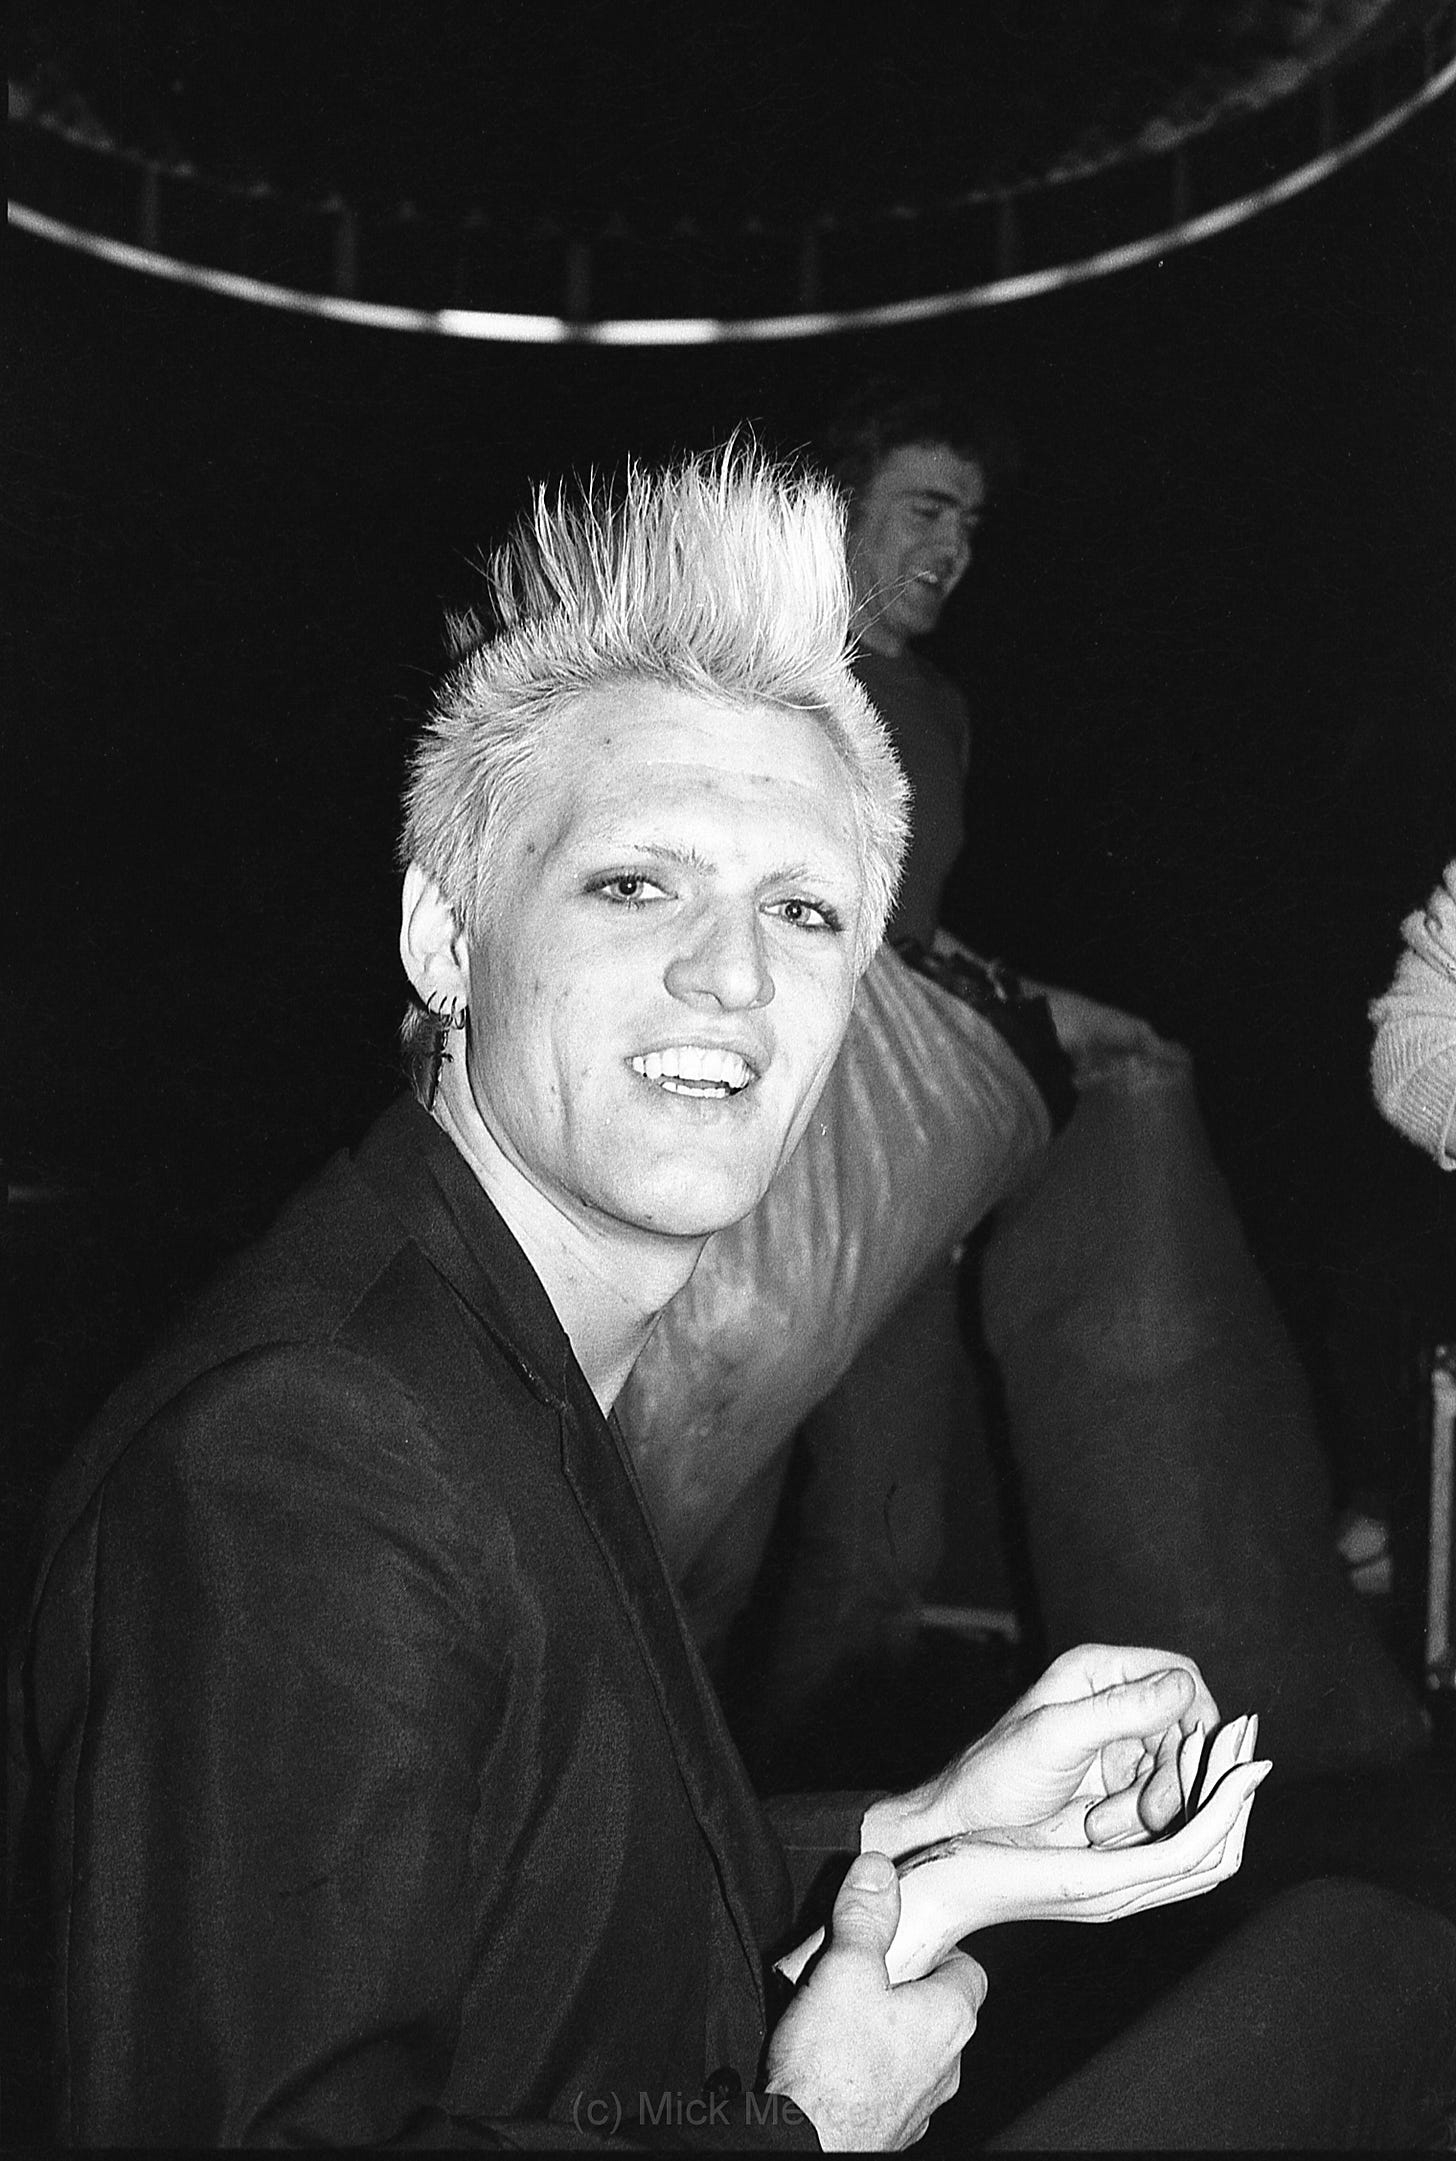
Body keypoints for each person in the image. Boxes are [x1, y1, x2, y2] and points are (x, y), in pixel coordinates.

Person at [7, 446, 1455, 2151]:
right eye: (636, 883)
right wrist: (807, 2123)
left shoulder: (501, 1348)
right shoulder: (308, 1455)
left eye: (803, 910)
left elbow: (564, 1883)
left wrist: (932, 1836)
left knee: (1372, 1961)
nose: (732, 974)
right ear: (444, 938)